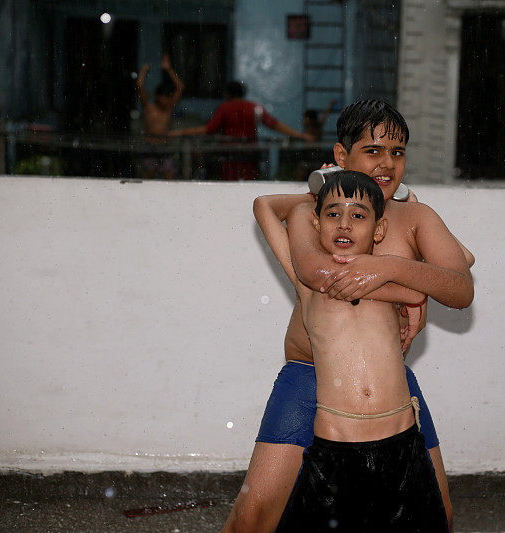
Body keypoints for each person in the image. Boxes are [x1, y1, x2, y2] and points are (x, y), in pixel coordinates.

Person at [222, 100, 474, 533]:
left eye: (397, 152)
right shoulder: (317, 216)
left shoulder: (415, 217)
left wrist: (392, 268)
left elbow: (462, 286)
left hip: (387, 387)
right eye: (373, 151)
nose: (387, 163)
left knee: (439, 516)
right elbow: (272, 212)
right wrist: (320, 189)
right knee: (253, 519)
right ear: (342, 156)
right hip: (308, 375)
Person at [256, 171, 448, 532]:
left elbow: (454, 266)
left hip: (403, 447)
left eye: (358, 215)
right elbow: (264, 206)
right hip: (334, 451)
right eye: (332, 214)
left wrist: (410, 208)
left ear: (379, 230)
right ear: (316, 222)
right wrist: (313, 194)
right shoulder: (308, 279)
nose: (344, 224)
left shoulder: (392, 277)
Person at [169, 81, 314, 180]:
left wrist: (181, 132)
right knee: (250, 185)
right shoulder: (254, 108)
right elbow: (274, 124)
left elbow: (209, 129)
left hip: (230, 156)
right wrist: (300, 135)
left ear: (228, 94)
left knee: (230, 185)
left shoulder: (225, 108)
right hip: (250, 155)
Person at [136, 55, 184, 179]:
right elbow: (140, 86)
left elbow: (180, 87)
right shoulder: (148, 107)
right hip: (150, 146)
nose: (165, 100)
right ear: (157, 97)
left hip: (164, 146)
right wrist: (144, 70)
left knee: (169, 176)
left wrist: (169, 70)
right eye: (163, 97)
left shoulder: (168, 108)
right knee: (149, 177)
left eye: (168, 97)